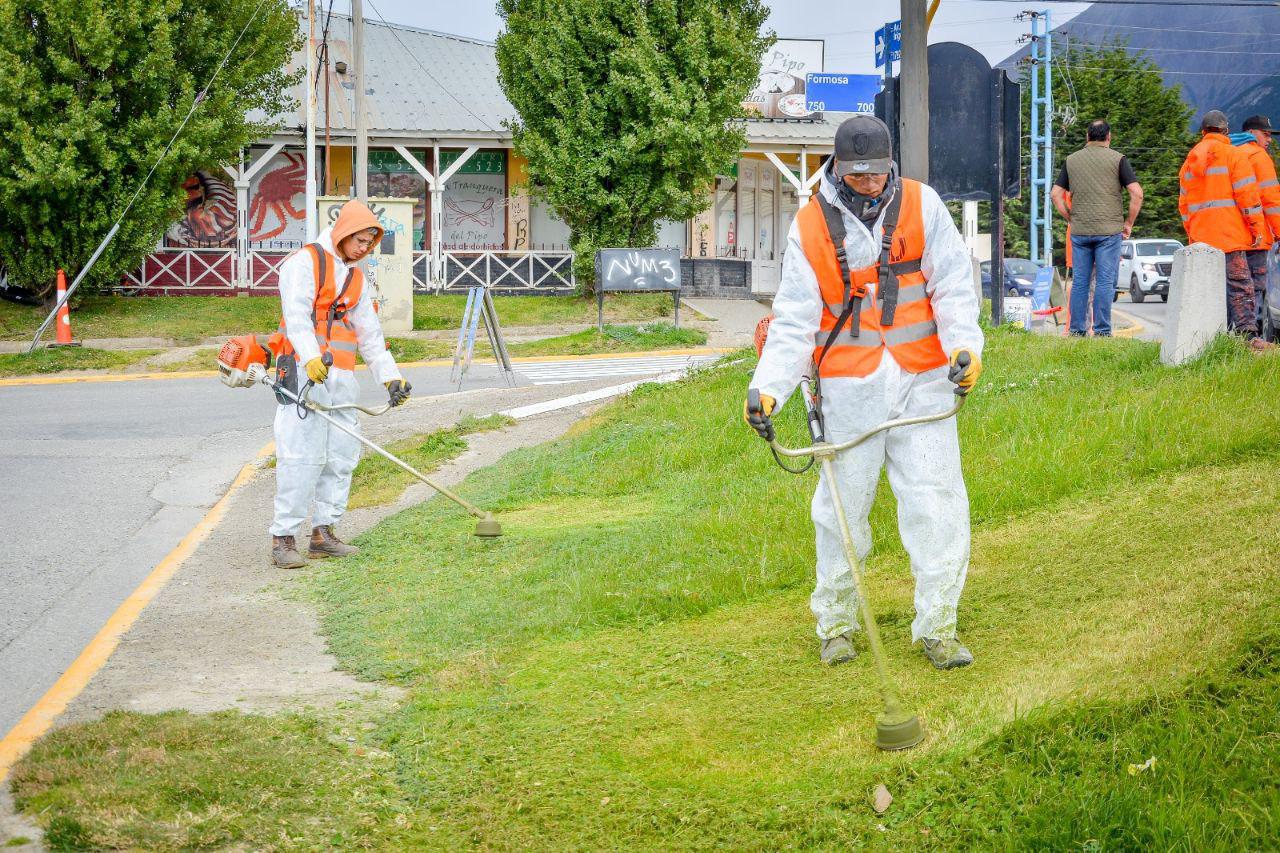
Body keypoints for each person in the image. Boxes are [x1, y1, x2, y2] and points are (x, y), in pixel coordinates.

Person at [745, 115, 983, 671]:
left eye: (877, 173)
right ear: (838, 168)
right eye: (858, 174)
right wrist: (769, 388)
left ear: (889, 163)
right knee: (841, 513)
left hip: (923, 384)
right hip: (846, 391)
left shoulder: (924, 206)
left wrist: (966, 351)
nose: (869, 182)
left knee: (937, 504)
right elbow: (794, 319)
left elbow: (953, 286)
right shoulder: (808, 227)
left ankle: (939, 627)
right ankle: (836, 625)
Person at [268, 200, 413, 568]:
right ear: (343, 233)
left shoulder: (357, 278)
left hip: (342, 377)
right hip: (303, 373)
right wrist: (310, 356)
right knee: (301, 456)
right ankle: (283, 538)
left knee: (342, 455)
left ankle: (324, 533)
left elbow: (370, 335)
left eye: (370, 242)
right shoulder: (304, 263)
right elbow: (297, 316)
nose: (365, 248)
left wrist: (390, 377)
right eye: (360, 240)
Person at [1179, 110, 1269, 348]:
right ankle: (1247, 339)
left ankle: (1206, 340)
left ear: (1203, 132)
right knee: (1240, 287)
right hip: (1230, 237)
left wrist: (1193, 233)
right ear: (1226, 131)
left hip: (1201, 241)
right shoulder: (1234, 156)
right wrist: (1257, 229)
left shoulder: (1189, 162)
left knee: (1208, 290)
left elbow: (1184, 206)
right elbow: (1248, 198)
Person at [1050, 119, 1143, 337]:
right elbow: (1137, 193)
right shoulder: (1118, 159)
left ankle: (1076, 330)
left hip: (1080, 231)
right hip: (1109, 231)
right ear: (1109, 137)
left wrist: (1070, 218)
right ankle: (1102, 331)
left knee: (1080, 281)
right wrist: (1128, 223)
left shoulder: (1072, 160)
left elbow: (1055, 194)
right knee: (1104, 280)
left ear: (1087, 137)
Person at [1230, 115, 1280, 332]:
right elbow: (1271, 201)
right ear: (1251, 133)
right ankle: (1252, 338)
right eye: (1265, 134)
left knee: (1235, 289)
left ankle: (1231, 334)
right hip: (1256, 237)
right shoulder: (1259, 156)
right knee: (1256, 289)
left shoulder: (1228, 153)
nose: (1269, 140)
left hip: (1230, 237)